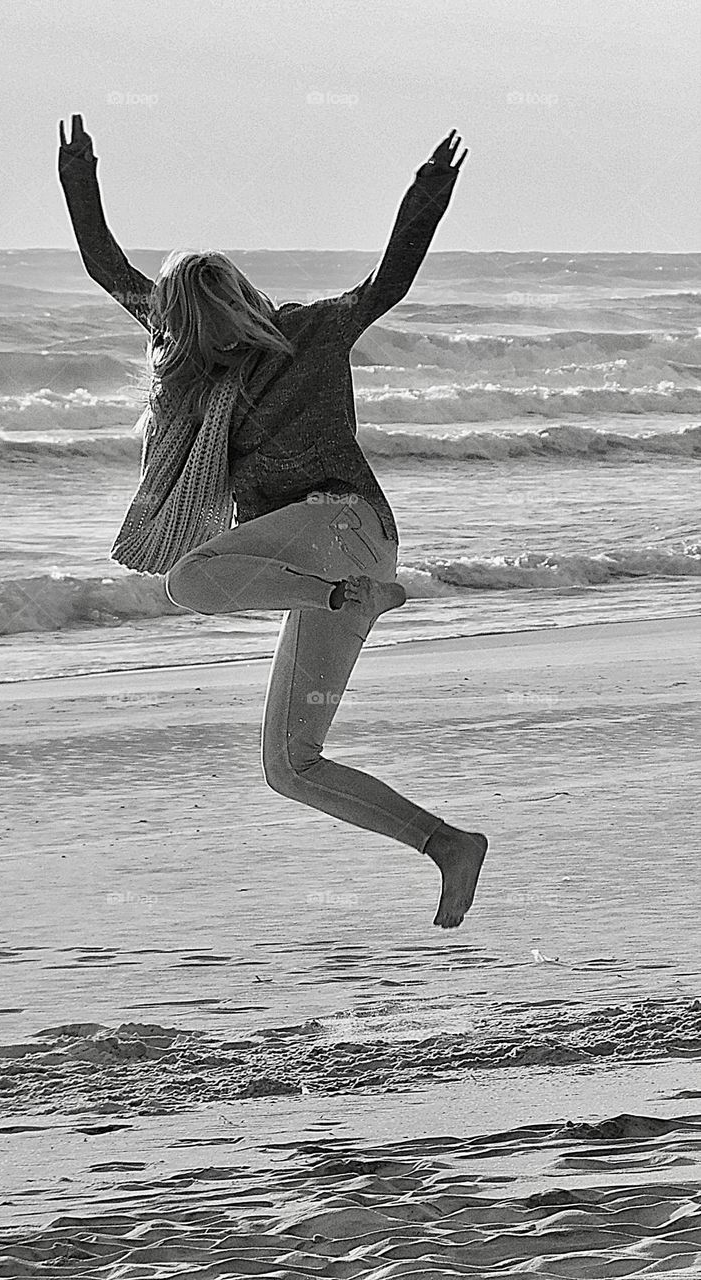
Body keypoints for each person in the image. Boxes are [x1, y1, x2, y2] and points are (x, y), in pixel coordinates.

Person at [58, 115, 487, 928]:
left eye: (206, 313)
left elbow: (385, 284)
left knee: (192, 578)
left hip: (346, 527)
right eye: (187, 322)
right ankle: (448, 845)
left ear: (237, 304)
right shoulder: (193, 362)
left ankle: (354, 596)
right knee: (290, 767)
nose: (200, 333)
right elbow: (107, 269)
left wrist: (425, 193)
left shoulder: (311, 330)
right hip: (323, 568)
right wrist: (80, 182)